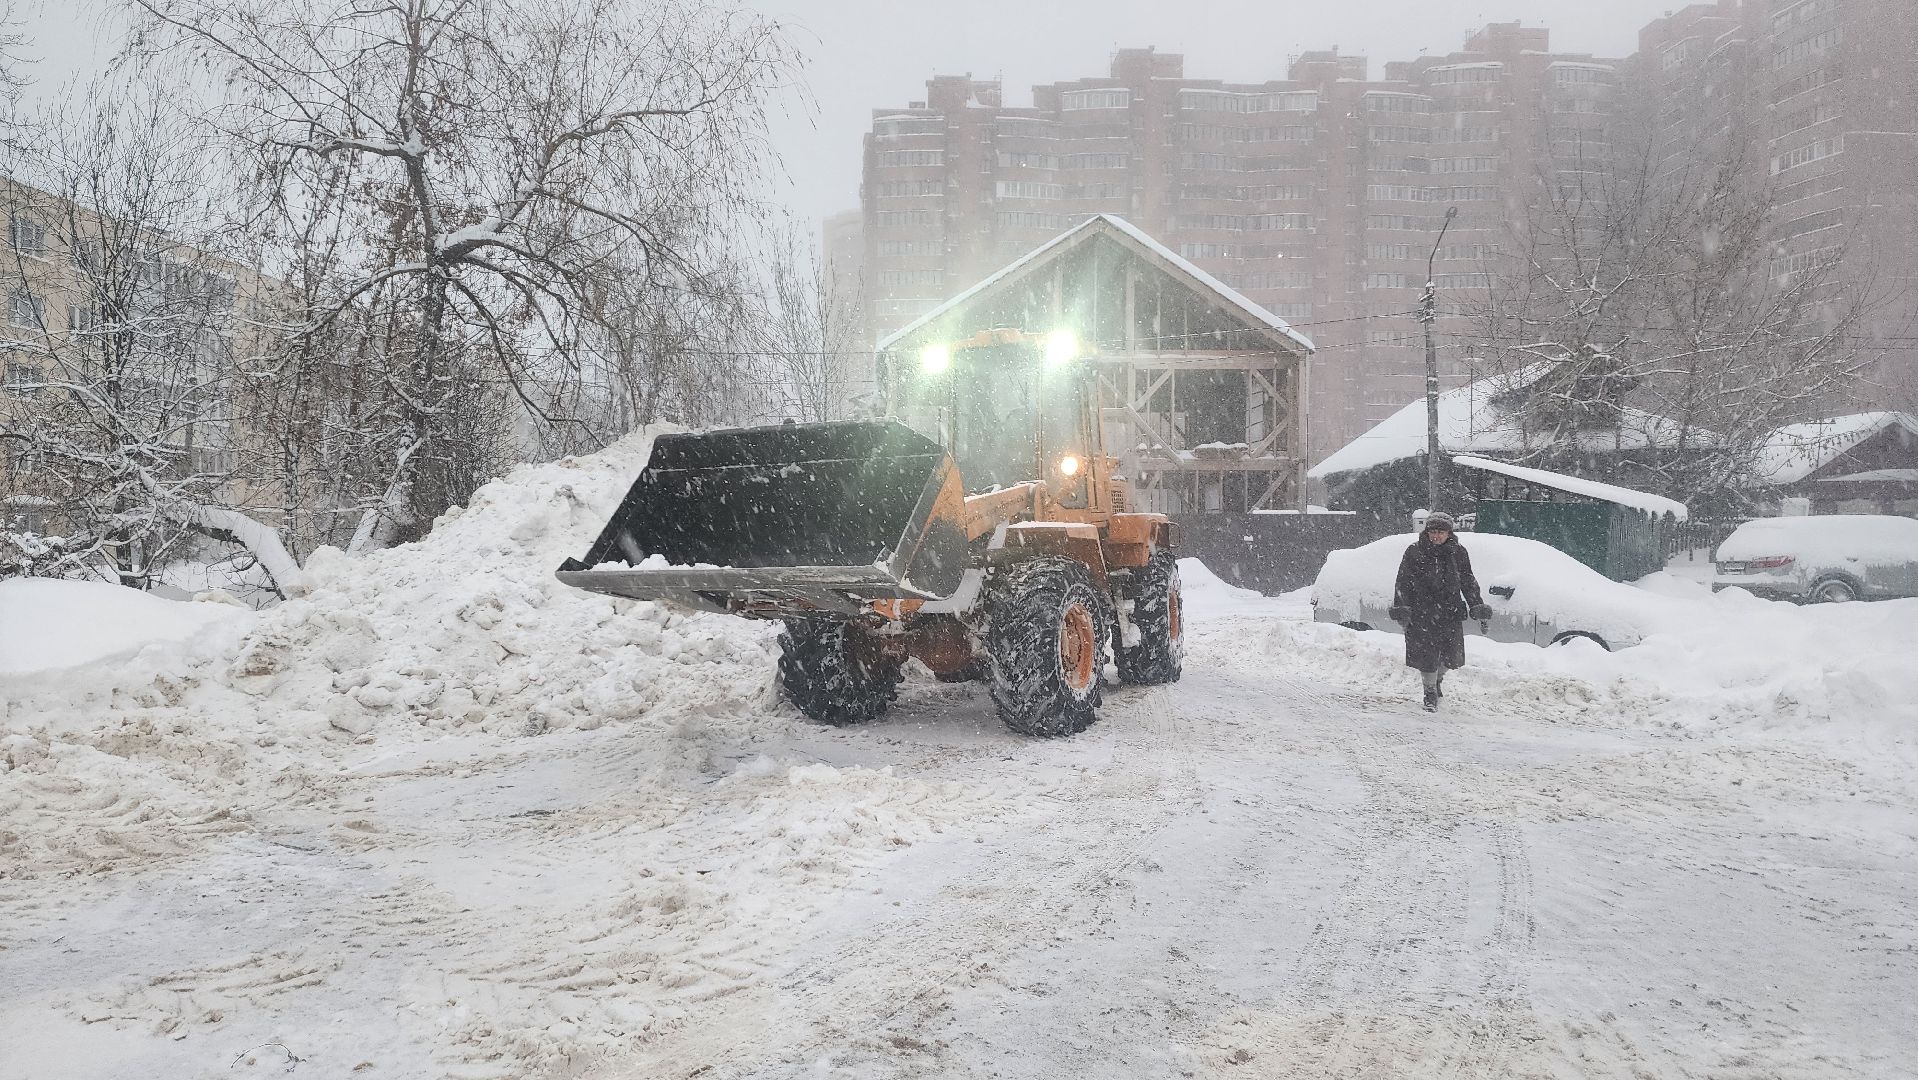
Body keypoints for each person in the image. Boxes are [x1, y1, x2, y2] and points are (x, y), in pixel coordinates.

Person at [1388, 512, 1493, 712]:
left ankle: (1437, 680)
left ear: (1449, 533)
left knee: (1450, 657)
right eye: (1432, 532)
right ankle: (1429, 692)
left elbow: (1468, 581)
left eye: (1440, 532)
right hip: (1422, 612)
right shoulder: (1414, 551)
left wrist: (1476, 606)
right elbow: (1402, 581)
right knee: (1426, 656)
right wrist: (1403, 608)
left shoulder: (1458, 552)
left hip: (1450, 611)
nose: (1436, 536)